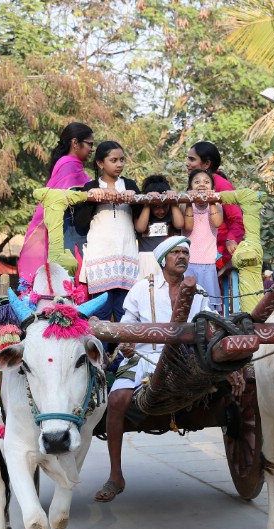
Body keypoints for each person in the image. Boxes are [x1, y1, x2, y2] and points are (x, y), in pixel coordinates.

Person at [95, 235, 211, 502]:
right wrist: (126, 342)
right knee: (116, 399)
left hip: (184, 359)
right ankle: (116, 476)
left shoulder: (200, 291)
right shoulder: (139, 289)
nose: (182, 256)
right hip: (143, 356)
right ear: (163, 260)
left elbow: (210, 324)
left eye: (185, 252)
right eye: (176, 253)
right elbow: (127, 325)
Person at [19, 122, 95, 284]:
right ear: (75, 143)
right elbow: (68, 197)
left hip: (73, 232)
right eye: (90, 144)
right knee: (73, 284)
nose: (92, 149)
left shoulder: (72, 165)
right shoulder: (68, 165)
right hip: (69, 233)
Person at [73, 141, 140, 322]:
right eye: (114, 160)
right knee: (100, 314)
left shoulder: (130, 184)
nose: (119, 164)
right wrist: (92, 197)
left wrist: (134, 198)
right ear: (100, 163)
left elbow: (140, 221)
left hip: (126, 256)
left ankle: (123, 352)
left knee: (125, 314)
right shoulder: (90, 186)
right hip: (100, 257)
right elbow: (81, 223)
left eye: (122, 160)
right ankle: (99, 351)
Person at [185, 142, 244, 270]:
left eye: (192, 159)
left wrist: (231, 240)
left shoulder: (222, 185)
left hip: (217, 255)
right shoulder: (193, 185)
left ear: (206, 164)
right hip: (196, 254)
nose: (187, 163)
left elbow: (237, 220)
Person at [182, 169, 225, 310]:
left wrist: (211, 201)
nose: (201, 184)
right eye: (197, 182)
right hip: (188, 264)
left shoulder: (217, 205)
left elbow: (217, 223)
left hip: (208, 264)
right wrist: (189, 201)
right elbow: (188, 227)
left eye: (206, 182)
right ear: (190, 188)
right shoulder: (185, 204)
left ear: (212, 189)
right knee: (188, 305)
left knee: (209, 306)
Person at [134, 174, 184, 280]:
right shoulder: (141, 213)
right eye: (156, 206)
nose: (161, 211)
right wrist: (148, 202)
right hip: (147, 262)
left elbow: (179, 224)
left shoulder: (172, 214)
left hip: (168, 260)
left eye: (165, 206)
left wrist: (172, 201)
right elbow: (140, 228)